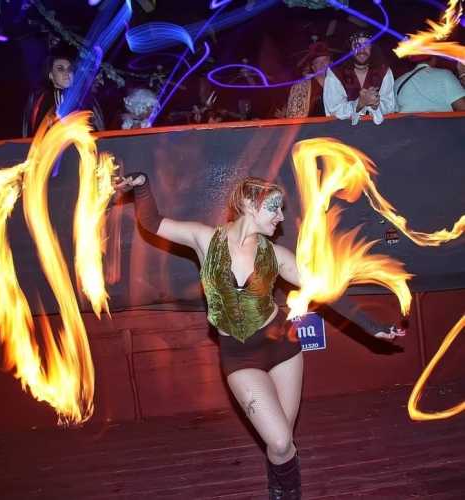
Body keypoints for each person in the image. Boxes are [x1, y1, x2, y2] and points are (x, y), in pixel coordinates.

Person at [114, 174, 404, 499]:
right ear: (251, 204)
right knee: (279, 440)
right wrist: (142, 184)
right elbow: (152, 221)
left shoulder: (276, 256)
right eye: (274, 208)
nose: (280, 217)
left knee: (282, 446)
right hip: (239, 357)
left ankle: (280, 488)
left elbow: (323, 289)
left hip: (283, 349)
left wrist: (369, 325)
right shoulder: (205, 240)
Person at [22, 51, 105, 137]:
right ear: (51, 75)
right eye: (60, 69)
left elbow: (97, 129)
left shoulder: (86, 100)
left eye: (70, 69)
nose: (67, 73)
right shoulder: (41, 99)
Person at [323, 31, 396, 125]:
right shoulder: (335, 72)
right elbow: (334, 110)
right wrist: (359, 103)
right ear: (350, 49)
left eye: (366, 44)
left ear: (372, 48)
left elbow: (390, 106)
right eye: (357, 45)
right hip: (344, 132)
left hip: (378, 132)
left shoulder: (384, 71)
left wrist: (375, 105)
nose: (362, 49)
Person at [395, 55, 465, 113]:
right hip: (441, 127)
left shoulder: (398, 82)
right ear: (433, 59)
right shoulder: (445, 75)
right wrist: (463, 74)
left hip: (407, 128)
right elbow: (462, 108)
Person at [286, 41, 332, 118]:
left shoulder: (340, 85)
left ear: (331, 63)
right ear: (313, 67)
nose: (322, 64)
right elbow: (293, 117)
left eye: (325, 60)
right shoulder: (301, 87)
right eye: (317, 62)